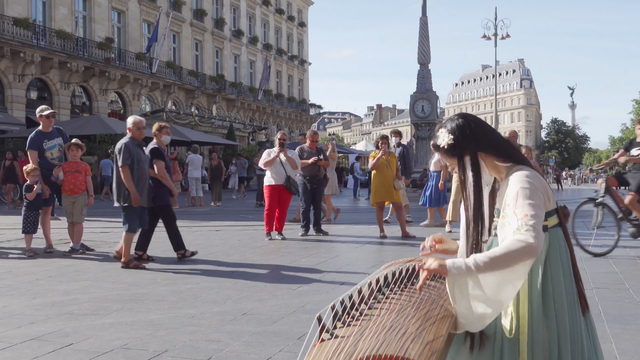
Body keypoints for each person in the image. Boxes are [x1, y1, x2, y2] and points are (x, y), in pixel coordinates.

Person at [418, 113, 603, 359]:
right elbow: (510, 235)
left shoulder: (521, 181)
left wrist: (459, 266)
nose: (456, 175)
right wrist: (457, 247)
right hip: (528, 277)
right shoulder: (507, 179)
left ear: (474, 156)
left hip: (534, 285)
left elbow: (528, 243)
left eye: (455, 167)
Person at [134, 122, 198, 261]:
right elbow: (160, 172)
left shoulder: (152, 148)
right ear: (157, 133)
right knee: (170, 220)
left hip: (152, 191)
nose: (169, 135)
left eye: (169, 133)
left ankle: (140, 251)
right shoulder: (156, 149)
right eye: (166, 132)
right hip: (159, 191)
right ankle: (181, 250)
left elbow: (149, 170)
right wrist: (172, 188)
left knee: (150, 222)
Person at [26, 105, 70, 254]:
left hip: (63, 174)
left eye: (52, 116)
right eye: (47, 116)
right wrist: (42, 185)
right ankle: (49, 242)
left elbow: (68, 153)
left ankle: (75, 242)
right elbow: (34, 165)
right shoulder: (34, 137)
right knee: (46, 210)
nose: (51, 119)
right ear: (39, 118)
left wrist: (69, 173)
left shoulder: (60, 131)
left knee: (70, 207)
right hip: (45, 175)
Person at [111, 115, 150, 270]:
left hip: (140, 192)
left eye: (143, 128)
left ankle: (121, 250)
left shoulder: (139, 145)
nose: (142, 131)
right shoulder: (125, 144)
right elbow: (123, 168)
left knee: (137, 224)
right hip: (129, 194)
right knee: (131, 225)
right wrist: (133, 192)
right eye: (137, 128)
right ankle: (126, 259)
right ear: (129, 129)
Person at [368, 134, 415, 239]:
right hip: (379, 185)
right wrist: (379, 156)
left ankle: (404, 231)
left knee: (399, 207)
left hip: (392, 185)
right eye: (381, 143)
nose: (384, 145)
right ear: (378, 144)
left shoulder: (393, 155)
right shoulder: (373, 155)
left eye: (385, 143)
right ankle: (382, 231)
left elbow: (397, 168)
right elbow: (371, 167)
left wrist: (398, 174)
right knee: (380, 207)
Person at [53, 139, 95, 255]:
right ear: (68, 152)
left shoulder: (84, 166)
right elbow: (60, 182)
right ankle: (74, 243)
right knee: (70, 221)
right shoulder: (64, 166)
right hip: (66, 195)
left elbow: (88, 181)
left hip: (80, 195)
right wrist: (55, 176)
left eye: (77, 150)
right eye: (72, 150)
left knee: (78, 220)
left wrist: (91, 196)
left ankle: (76, 245)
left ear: (81, 152)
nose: (75, 152)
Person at [596, 119, 640, 221]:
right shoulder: (631, 143)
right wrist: (598, 167)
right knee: (602, 182)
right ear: (635, 130)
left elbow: (628, 158)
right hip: (631, 174)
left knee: (629, 201)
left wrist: (629, 159)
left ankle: (628, 206)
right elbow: (616, 158)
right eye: (639, 128)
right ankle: (624, 208)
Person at [259, 131, 301, 240]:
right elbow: (263, 165)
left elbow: (296, 167)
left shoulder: (292, 153)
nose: (281, 141)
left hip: (286, 185)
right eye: (279, 139)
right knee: (270, 207)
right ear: (276, 140)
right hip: (271, 183)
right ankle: (268, 231)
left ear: (287, 142)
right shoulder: (269, 152)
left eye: (284, 140)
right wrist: (276, 155)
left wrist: (286, 155)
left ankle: (279, 231)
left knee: (282, 209)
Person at [296, 130, 330, 237]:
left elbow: (328, 164)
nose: (315, 143)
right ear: (307, 139)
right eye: (312, 141)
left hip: (318, 179)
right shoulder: (300, 149)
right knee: (305, 205)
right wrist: (309, 161)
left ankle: (317, 228)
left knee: (317, 205)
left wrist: (321, 162)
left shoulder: (320, 149)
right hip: (304, 179)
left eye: (316, 141)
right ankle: (304, 228)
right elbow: (296, 163)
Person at [383, 129, 414, 224]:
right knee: (399, 196)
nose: (394, 138)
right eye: (393, 136)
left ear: (400, 137)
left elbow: (408, 163)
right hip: (394, 176)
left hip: (402, 175)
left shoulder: (404, 148)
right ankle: (407, 216)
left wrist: (408, 177)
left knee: (399, 196)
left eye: (396, 136)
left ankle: (390, 217)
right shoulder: (392, 149)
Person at [419, 142, 448, 227]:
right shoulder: (435, 155)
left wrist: (441, 181)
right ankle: (443, 219)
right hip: (433, 176)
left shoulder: (440, 155)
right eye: (431, 145)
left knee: (431, 196)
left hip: (437, 177)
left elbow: (443, 170)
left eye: (434, 145)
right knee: (434, 197)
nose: (432, 147)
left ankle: (430, 219)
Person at [21, 164, 43, 257]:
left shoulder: (36, 185)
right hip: (28, 210)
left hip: (35, 210)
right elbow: (30, 197)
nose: (35, 177)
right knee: (28, 231)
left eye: (37, 175)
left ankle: (30, 247)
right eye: (33, 176)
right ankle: (27, 248)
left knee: (33, 230)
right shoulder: (27, 186)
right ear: (27, 176)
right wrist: (36, 189)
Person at [322, 140, 341, 222]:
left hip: (330, 175)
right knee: (324, 198)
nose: (325, 146)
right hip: (326, 175)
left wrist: (331, 148)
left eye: (327, 145)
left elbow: (326, 157)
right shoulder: (326, 153)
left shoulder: (333, 154)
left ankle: (328, 216)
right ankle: (335, 210)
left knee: (327, 197)